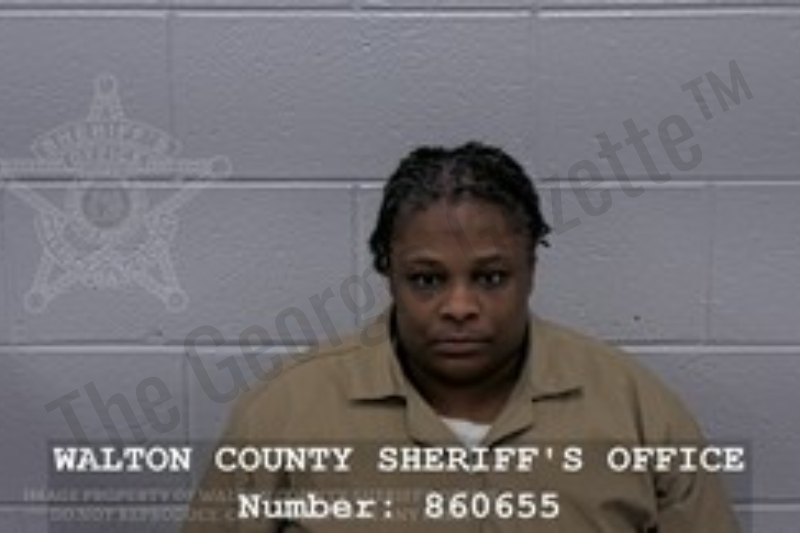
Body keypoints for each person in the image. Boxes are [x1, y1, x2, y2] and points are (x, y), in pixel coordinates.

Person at [181, 142, 741, 532]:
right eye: (427, 280)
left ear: (531, 271)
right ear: (388, 273)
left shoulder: (638, 412)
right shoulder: (284, 413)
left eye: (490, 278)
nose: (459, 307)